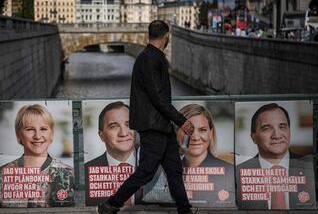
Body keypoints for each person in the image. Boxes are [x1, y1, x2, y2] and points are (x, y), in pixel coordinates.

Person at [97, 20, 195, 214]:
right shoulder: (151, 58)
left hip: (162, 126)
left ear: (148, 35)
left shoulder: (151, 56)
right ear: (167, 35)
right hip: (153, 127)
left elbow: (157, 97)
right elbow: (158, 97)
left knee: (174, 170)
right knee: (146, 172)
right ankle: (111, 204)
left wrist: (173, 123)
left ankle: (185, 210)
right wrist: (181, 120)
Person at [236, 103, 316, 210]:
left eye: (282, 127)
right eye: (267, 128)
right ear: (254, 137)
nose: (277, 135)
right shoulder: (237, 174)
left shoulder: (311, 167)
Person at [0, 104, 74, 207]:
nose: (37, 136)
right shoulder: (2, 173)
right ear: (18, 135)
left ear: (51, 134)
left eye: (43, 129)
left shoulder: (69, 174)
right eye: (30, 129)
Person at [176, 104, 235, 206]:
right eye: (188, 130)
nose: (195, 137)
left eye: (202, 130)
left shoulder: (229, 172)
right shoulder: (164, 174)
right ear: (176, 133)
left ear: (211, 133)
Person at [85, 101, 136, 206]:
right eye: (114, 126)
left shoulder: (157, 167)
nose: (124, 133)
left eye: (129, 124)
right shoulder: (85, 173)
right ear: (101, 135)